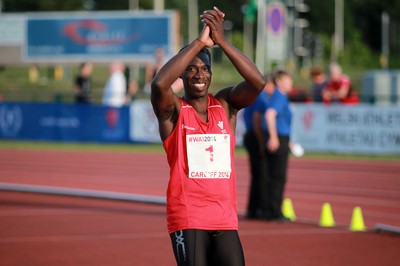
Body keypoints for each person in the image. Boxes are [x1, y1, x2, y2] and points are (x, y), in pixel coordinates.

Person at [151, 6, 265, 266]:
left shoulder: (226, 105)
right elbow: (159, 84)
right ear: (181, 75)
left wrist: (222, 42)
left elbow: (257, 82)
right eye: (191, 69)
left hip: (224, 217)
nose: (199, 74)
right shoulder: (174, 112)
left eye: (204, 68)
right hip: (188, 216)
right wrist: (199, 43)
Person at [262, 69, 293, 222]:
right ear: (279, 82)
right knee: (277, 176)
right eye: (287, 81)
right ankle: (274, 211)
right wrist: (274, 137)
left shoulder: (278, 96)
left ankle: (270, 209)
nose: (290, 84)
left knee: (273, 175)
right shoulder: (279, 96)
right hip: (278, 138)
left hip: (282, 137)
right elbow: (269, 115)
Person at [243, 74, 275, 219]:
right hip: (255, 137)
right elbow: (256, 119)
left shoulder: (252, 95)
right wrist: (261, 140)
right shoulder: (261, 97)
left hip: (250, 135)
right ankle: (260, 208)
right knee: (261, 174)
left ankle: (253, 208)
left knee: (257, 175)